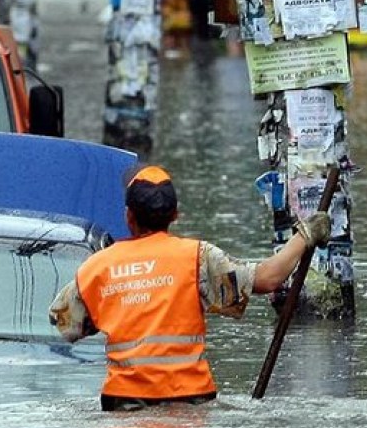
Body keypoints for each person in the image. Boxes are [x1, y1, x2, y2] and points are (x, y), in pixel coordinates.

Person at [48, 165, 331, 412]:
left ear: (128, 216)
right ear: (175, 215)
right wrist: (304, 235)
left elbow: (63, 323)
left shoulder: (97, 267)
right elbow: (269, 278)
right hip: (191, 401)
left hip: (123, 404)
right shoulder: (197, 257)